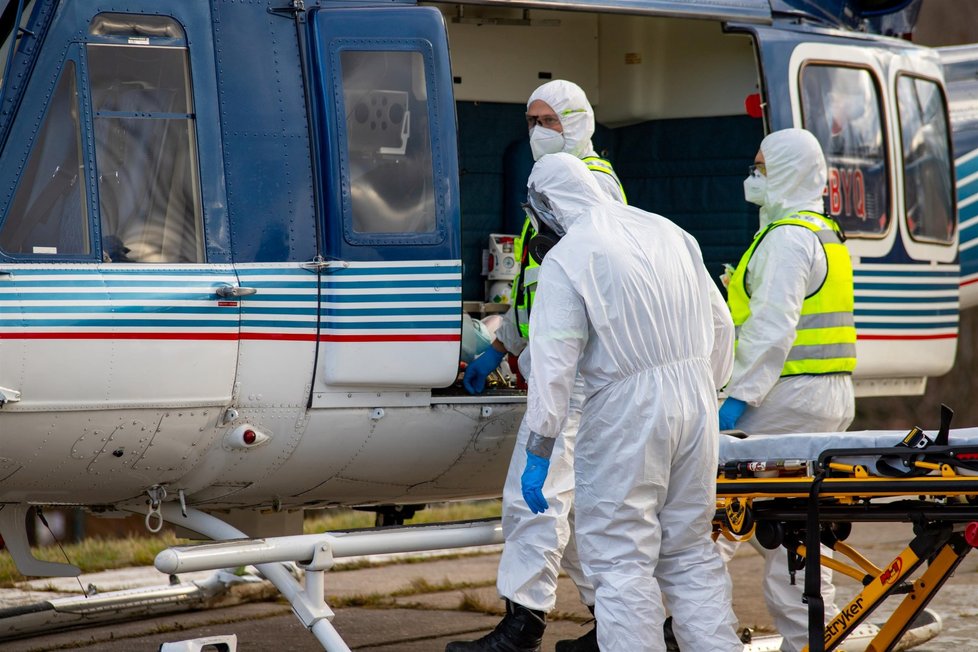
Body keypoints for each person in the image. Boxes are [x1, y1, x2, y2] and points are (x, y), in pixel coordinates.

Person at [519, 153, 743, 652]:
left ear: (545, 208)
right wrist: (711, 391)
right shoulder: (668, 230)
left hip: (625, 414)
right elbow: (723, 325)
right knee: (690, 555)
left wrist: (539, 449)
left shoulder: (568, 256)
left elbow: (552, 367)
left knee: (622, 562)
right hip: (697, 402)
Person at [449, 80, 625, 652]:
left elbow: (584, 287)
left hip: (572, 374)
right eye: (530, 121)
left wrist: (537, 354)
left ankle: (522, 625)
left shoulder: (588, 186)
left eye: (547, 120)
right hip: (558, 361)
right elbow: (537, 289)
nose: (535, 132)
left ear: (577, 122)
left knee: (532, 499)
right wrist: (502, 348)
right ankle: (612, 624)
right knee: (568, 507)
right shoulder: (554, 185)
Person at [717, 127, 856, 652]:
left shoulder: (785, 239)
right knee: (796, 530)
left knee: (712, 516)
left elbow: (772, 330)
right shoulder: (824, 233)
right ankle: (816, 638)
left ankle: (701, 630)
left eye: (762, 167)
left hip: (784, 399)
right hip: (827, 397)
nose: (753, 177)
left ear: (789, 171)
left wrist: (736, 398)